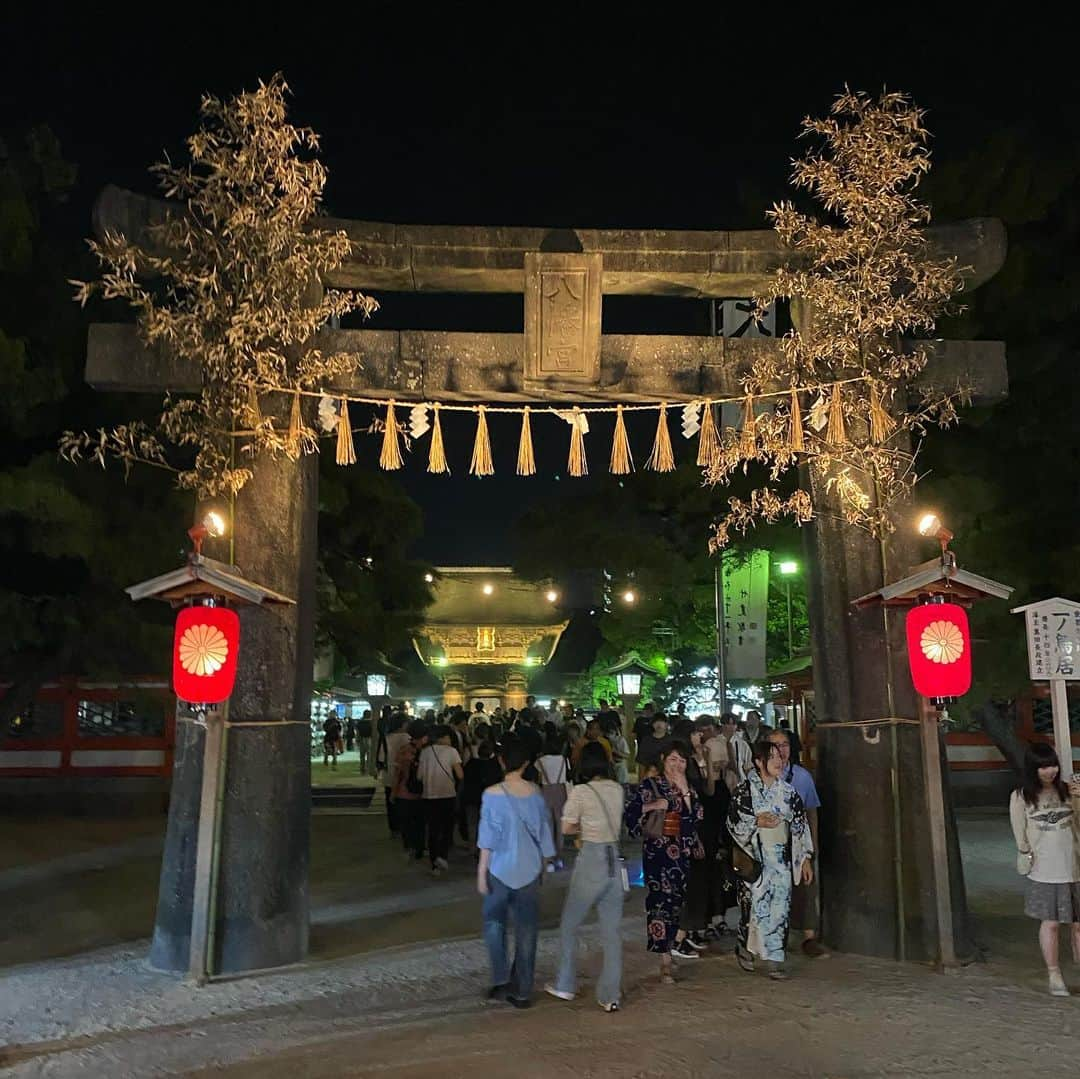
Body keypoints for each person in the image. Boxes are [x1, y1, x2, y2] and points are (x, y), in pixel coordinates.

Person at [546, 741, 626, 1012]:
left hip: (591, 857)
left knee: (570, 923)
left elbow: (567, 827)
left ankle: (565, 983)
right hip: (614, 858)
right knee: (611, 931)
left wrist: (583, 824)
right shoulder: (617, 789)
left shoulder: (581, 791)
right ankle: (610, 994)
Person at [477, 736, 556, 1008]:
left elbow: (487, 837)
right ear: (526, 763)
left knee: (493, 923)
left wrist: (480, 872)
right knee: (527, 930)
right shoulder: (535, 793)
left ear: (501, 760)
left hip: (499, 868)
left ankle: (500, 978)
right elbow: (544, 832)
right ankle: (522, 990)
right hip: (530, 867)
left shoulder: (491, 794)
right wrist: (545, 865)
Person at [727, 737, 813, 980]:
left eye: (779, 756)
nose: (778, 761)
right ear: (758, 761)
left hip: (780, 858)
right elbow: (732, 822)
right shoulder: (744, 791)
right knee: (752, 908)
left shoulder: (788, 793)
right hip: (753, 856)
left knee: (780, 909)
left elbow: (799, 825)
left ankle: (775, 959)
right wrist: (756, 821)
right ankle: (745, 948)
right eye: (771, 757)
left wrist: (804, 857)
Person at [624, 741, 704, 985]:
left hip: (680, 854)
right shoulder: (651, 784)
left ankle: (670, 947)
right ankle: (665, 960)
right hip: (658, 854)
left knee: (678, 902)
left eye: (681, 760)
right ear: (663, 760)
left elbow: (696, 818)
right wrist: (653, 805)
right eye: (673, 759)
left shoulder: (687, 787)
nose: (678, 765)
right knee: (660, 903)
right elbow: (631, 813)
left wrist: (685, 792)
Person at [1010, 742, 1080, 996]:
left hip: (1074, 864)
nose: (1049, 771)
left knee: (1077, 923)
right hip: (1045, 868)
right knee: (1050, 922)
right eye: (1042, 767)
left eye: (1052, 765)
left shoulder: (1068, 791)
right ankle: (1054, 973)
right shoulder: (1021, 796)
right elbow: (1020, 834)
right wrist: (1026, 856)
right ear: (1033, 769)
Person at [767, 727, 825, 957]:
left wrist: (813, 846)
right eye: (775, 745)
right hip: (771, 840)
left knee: (806, 885)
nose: (781, 750)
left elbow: (812, 811)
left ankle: (809, 936)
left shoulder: (801, 776)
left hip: (798, 838)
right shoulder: (758, 777)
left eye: (785, 744)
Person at [418, 724, 464, 875]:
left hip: (428, 795)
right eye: (449, 737)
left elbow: (419, 776)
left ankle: (434, 862)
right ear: (442, 737)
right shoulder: (452, 752)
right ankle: (442, 856)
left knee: (432, 829)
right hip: (447, 795)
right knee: (446, 828)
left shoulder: (425, 752)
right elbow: (460, 775)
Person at [391, 721, 429, 862]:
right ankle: (420, 848)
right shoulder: (427, 751)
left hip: (404, 792)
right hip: (423, 793)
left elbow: (397, 773)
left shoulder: (404, 750)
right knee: (420, 823)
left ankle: (409, 848)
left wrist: (393, 792)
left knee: (407, 823)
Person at [537, 731, 571, 867]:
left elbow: (539, 779)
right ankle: (559, 857)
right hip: (561, 791)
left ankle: (549, 859)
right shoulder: (563, 760)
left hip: (545, 791)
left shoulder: (540, 761)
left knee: (548, 825)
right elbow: (567, 775)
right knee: (560, 824)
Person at [462, 740, 502, 848]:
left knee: (472, 824)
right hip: (488, 800)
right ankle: (484, 848)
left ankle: (473, 847)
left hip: (471, 798)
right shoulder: (494, 766)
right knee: (487, 825)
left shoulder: (471, 764)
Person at [381, 713, 409, 838]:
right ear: (403, 724)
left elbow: (381, 758)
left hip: (389, 775)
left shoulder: (386, 738)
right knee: (404, 803)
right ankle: (404, 827)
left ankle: (394, 829)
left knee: (390, 803)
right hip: (405, 775)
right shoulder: (408, 737)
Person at [599, 713, 630, 785]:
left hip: (620, 766)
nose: (609, 735)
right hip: (609, 767)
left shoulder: (621, 740)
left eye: (611, 733)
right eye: (607, 733)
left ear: (616, 731)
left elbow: (627, 755)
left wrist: (615, 751)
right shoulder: (604, 741)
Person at [723, 712, 751, 790]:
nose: (729, 727)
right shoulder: (716, 742)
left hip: (740, 783)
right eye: (726, 724)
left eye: (732, 724)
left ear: (736, 726)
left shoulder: (742, 744)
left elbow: (748, 767)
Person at [354, 708, 374, 775]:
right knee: (369, 755)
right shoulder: (372, 723)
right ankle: (368, 768)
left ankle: (362, 769)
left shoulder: (360, 722)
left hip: (362, 739)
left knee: (362, 755)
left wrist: (357, 740)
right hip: (369, 739)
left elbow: (358, 732)